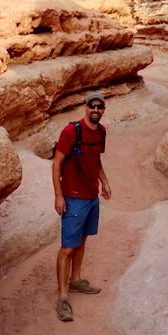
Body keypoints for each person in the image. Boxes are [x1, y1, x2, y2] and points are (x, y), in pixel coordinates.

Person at [51, 92, 112, 322]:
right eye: (92, 106)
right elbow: (56, 164)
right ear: (85, 107)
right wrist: (59, 195)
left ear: (103, 109)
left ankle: (75, 280)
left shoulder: (102, 132)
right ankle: (62, 297)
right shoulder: (71, 131)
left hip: (91, 195)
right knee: (68, 247)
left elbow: (95, 160)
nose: (95, 110)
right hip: (73, 197)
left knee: (83, 239)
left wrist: (104, 182)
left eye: (100, 107)